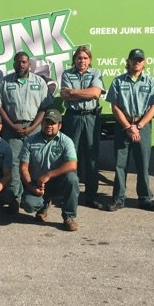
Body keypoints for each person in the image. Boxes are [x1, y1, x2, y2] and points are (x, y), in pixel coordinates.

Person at [105, 48, 154, 212]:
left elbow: (153, 107)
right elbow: (114, 107)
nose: (136, 62)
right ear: (128, 61)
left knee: (143, 164)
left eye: (140, 60)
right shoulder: (118, 81)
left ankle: (145, 199)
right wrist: (128, 127)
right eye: (134, 59)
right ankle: (118, 199)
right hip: (123, 125)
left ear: (144, 63)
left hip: (142, 126)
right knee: (119, 165)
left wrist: (138, 126)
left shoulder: (150, 81)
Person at [0, 52, 52, 209]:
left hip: (33, 128)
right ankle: (15, 198)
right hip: (12, 128)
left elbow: (44, 107)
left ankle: (40, 198)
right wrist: (12, 125)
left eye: (24, 62)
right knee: (13, 164)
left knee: (35, 163)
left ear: (29, 64)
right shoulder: (4, 82)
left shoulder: (39, 82)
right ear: (13, 64)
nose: (21, 65)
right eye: (18, 62)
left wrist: (33, 127)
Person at [19, 109, 80, 231]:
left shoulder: (66, 141)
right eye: (46, 122)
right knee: (29, 205)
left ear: (60, 125)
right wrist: (31, 186)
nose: (49, 126)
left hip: (58, 183)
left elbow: (73, 165)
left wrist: (49, 174)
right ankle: (43, 206)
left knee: (72, 178)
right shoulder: (30, 141)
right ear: (42, 124)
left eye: (53, 123)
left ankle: (69, 217)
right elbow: (23, 167)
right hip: (38, 184)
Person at [60, 46, 105, 209]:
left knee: (91, 157)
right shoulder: (67, 74)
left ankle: (91, 196)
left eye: (85, 58)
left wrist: (75, 92)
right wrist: (83, 92)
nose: (82, 61)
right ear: (74, 60)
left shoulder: (96, 73)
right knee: (72, 156)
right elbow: (65, 94)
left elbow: (95, 93)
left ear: (90, 60)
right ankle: (71, 194)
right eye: (79, 58)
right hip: (73, 117)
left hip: (91, 117)